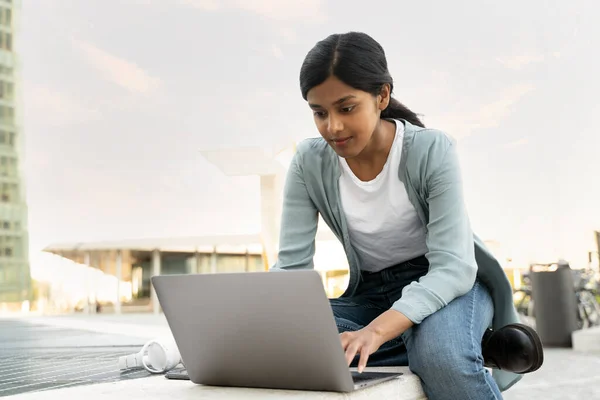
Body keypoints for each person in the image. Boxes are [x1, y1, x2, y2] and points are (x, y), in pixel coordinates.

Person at [271, 32, 543, 399]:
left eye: (346, 108)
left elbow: (453, 268)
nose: (332, 127)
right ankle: (457, 338)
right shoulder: (308, 161)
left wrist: (377, 332)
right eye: (319, 113)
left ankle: (443, 338)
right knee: (294, 337)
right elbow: (291, 269)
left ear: (382, 96)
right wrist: (265, 320)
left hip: (446, 284)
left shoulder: (431, 149)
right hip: (370, 295)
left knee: (442, 358)